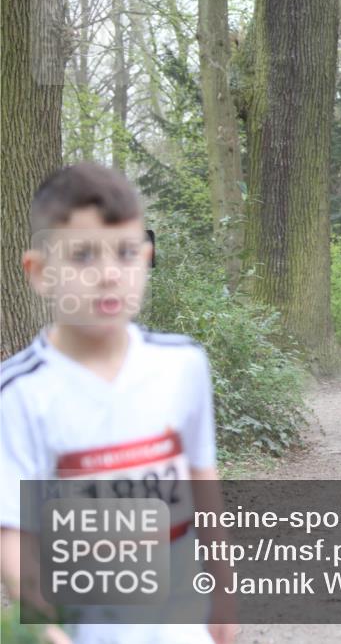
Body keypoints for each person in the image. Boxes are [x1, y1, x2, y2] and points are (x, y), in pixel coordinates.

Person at [0, 163, 236, 644]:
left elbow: (202, 481)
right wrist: (45, 628)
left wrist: (225, 592)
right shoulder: (19, 393)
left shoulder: (183, 364)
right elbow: (14, 532)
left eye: (126, 254)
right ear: (40, 272)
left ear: (146, 258)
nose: (109, 276)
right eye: (82, 256)